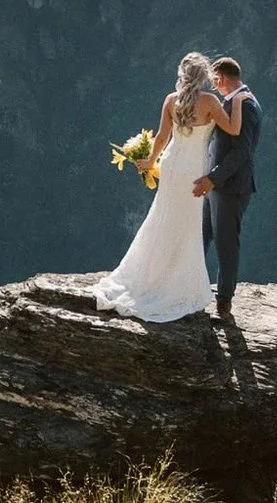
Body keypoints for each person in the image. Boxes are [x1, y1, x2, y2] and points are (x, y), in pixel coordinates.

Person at [93, 52, 246, 322]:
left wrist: (150, 161)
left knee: (162, 218)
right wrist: (239, 102)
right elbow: (234, 130)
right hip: (193, 168)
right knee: (187, 225)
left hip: (171, 164)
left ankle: (149, 275)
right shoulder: (210, 101)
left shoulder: (170, 100)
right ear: (203, 76)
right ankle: (175, 283)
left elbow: (162, 137)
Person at [193, 56, 260, 319]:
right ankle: (191, 288)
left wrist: (213, 178)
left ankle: (224, 301)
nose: (213, 84)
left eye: (214, 79)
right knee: (201, 236)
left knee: (226, 244)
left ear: (221, 77)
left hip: (230, 187)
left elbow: (241, 151)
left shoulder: (247, 106)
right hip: (217, 186)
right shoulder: (234, 102)